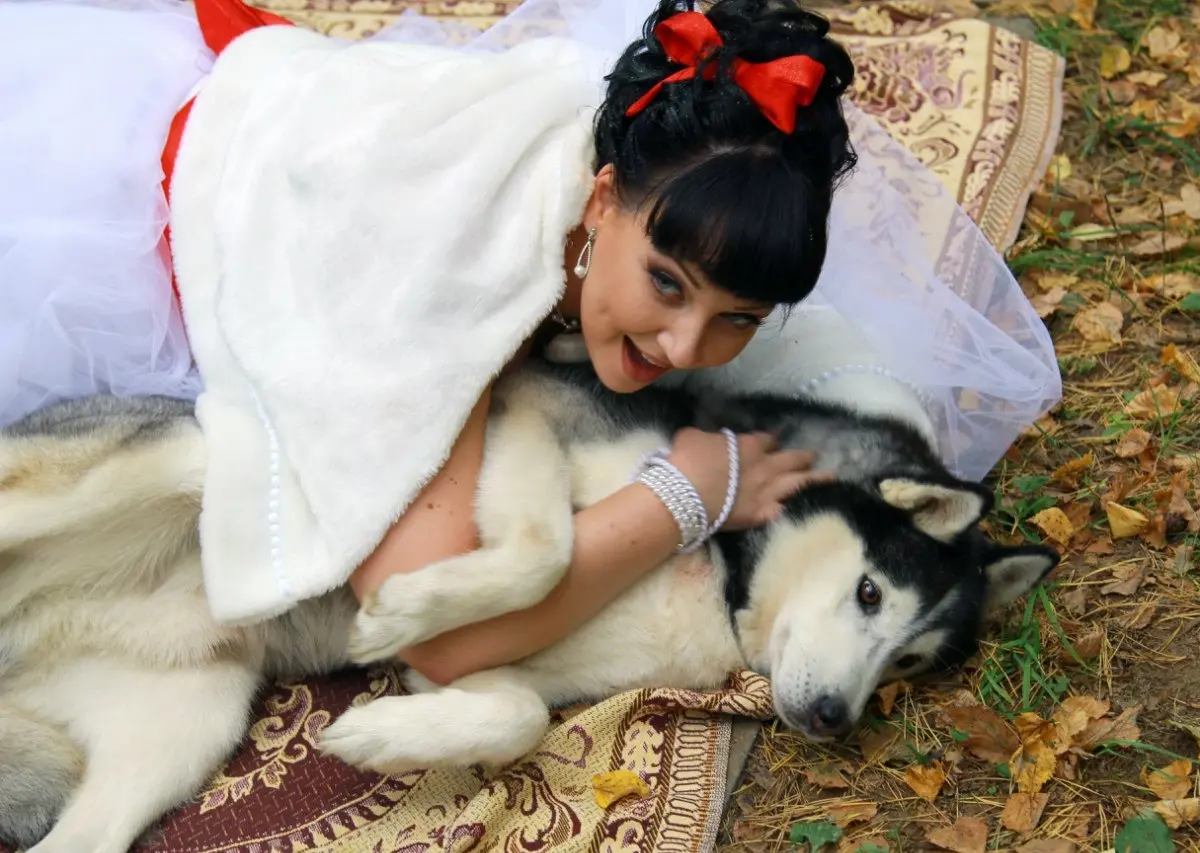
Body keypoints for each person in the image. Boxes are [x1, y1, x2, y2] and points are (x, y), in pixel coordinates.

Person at [0, 0, 1061, 685]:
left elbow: (833, 358)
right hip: (127, 200)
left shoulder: (637, 200)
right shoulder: (452, 272)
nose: (683, 343)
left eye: (734, 317)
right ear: (600, 198)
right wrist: (685, 494)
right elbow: (438, 637)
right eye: (665, 284)